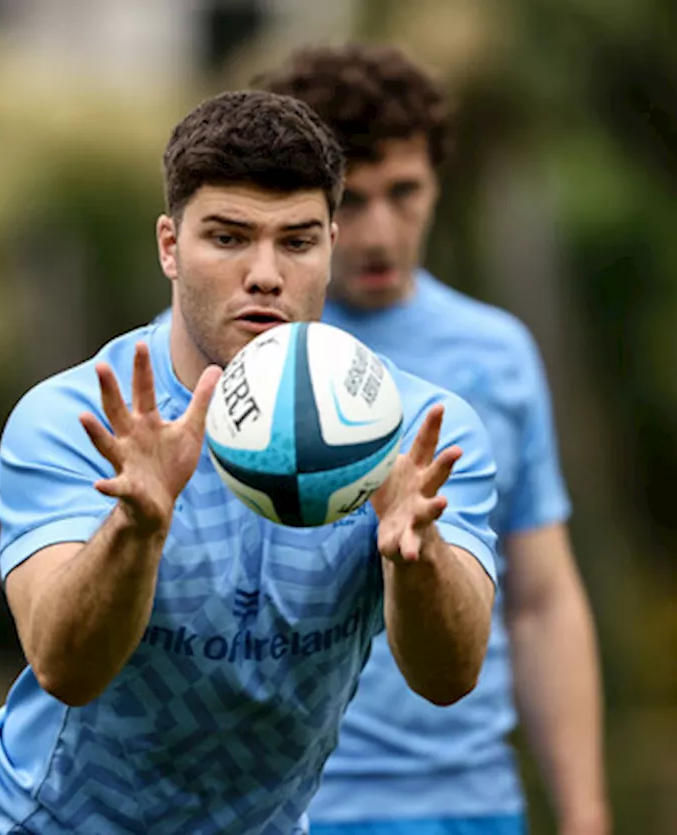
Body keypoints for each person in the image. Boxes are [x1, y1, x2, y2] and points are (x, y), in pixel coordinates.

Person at [0, 89, 500, 835]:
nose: (265, 273)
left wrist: (417, 551)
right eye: (229, 238)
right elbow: (64, 667)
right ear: (170, 246)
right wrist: (136, 526)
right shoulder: (80, 419)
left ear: (331, 245)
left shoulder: (417, 434)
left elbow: (449, 676)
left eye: (297, 241)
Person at [256, 44, 609, 835]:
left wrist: (586, 814)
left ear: (437, 183)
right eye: (354, 201)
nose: (379, 232)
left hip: (467, 800)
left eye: (405, 193)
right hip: (288, 805)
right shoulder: (250, 358)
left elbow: (542, 598)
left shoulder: (498, 353)